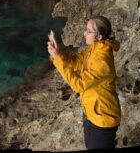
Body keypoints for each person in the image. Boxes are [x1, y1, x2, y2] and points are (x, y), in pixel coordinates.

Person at [47, 16, 121, 150]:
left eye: (89, 31)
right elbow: (76, 62)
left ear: (99, 36)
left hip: (104, 119)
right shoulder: (95, 47)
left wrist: (58, 60)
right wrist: (58, 54)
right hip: (91, 113)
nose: (84, 33)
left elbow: (78, 85)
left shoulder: (102, 60)